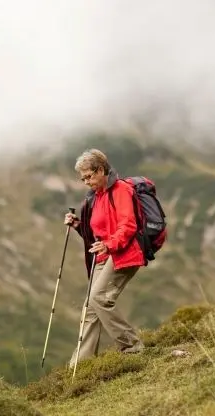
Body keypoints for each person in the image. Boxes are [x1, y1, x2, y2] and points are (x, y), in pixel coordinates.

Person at [64, 148, 145, 365]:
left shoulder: (121, 190)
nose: (86, 182)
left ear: (101, 170)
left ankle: (132, 346)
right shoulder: (96, 197)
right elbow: (95, 233)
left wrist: (109, 245)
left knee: (99, 298)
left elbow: (128, 226)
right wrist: (77, 225)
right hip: (105, 255)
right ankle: (81, 365)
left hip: (124, 253)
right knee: (90, 309)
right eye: (83, 179)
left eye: (89, 176)